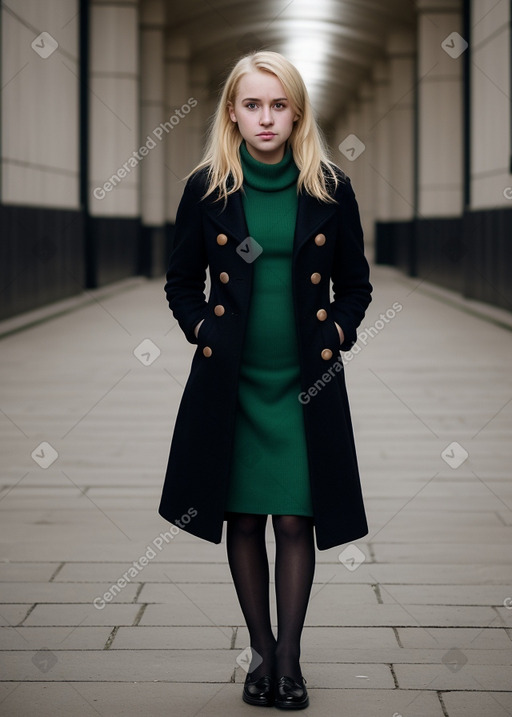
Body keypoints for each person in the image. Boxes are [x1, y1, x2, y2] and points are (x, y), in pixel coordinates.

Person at [159, 50, 372, 710]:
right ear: (232, 111)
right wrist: (202, 331)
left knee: (295, 522)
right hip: (234, 382)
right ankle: (258, 651)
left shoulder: (329, 186)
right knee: (245, 518)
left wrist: (337, 331)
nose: (266, 117)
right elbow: (180, 282)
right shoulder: (208, 188)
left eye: (279, 104)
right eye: (252, 104)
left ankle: (289, 657)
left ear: (297, 112)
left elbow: (357, 285)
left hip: (305, 382)